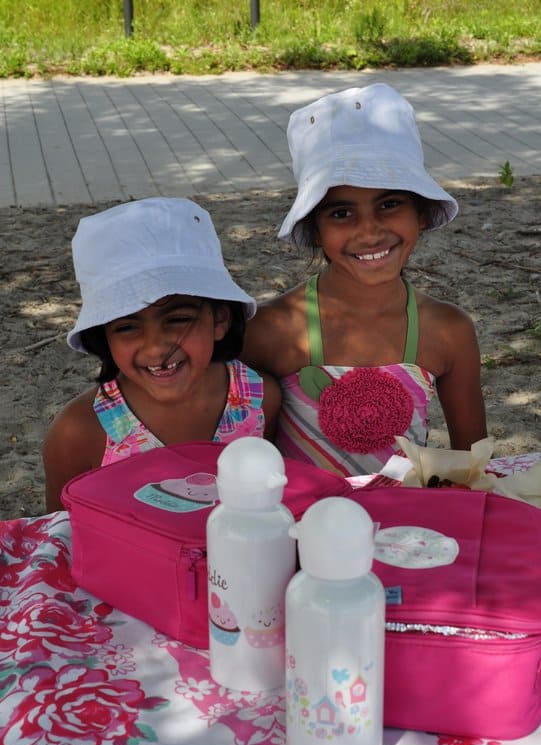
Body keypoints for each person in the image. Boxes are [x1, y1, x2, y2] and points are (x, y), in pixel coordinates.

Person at [242, 83, 487, 476]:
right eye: (341, 213)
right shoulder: (269, 331)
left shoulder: (447, 331)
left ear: (421, 214)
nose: (370, 231)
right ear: (315, 229)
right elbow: (243, 466)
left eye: (389, 204)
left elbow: (473, 467)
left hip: (407, 533)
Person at [43, 197, 281, 511]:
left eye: (178, 319)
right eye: (127, 327)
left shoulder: (260, 400)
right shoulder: (79, 431)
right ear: (104, 336)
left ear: (220, 320)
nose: (156, 347)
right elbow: (59, 534)